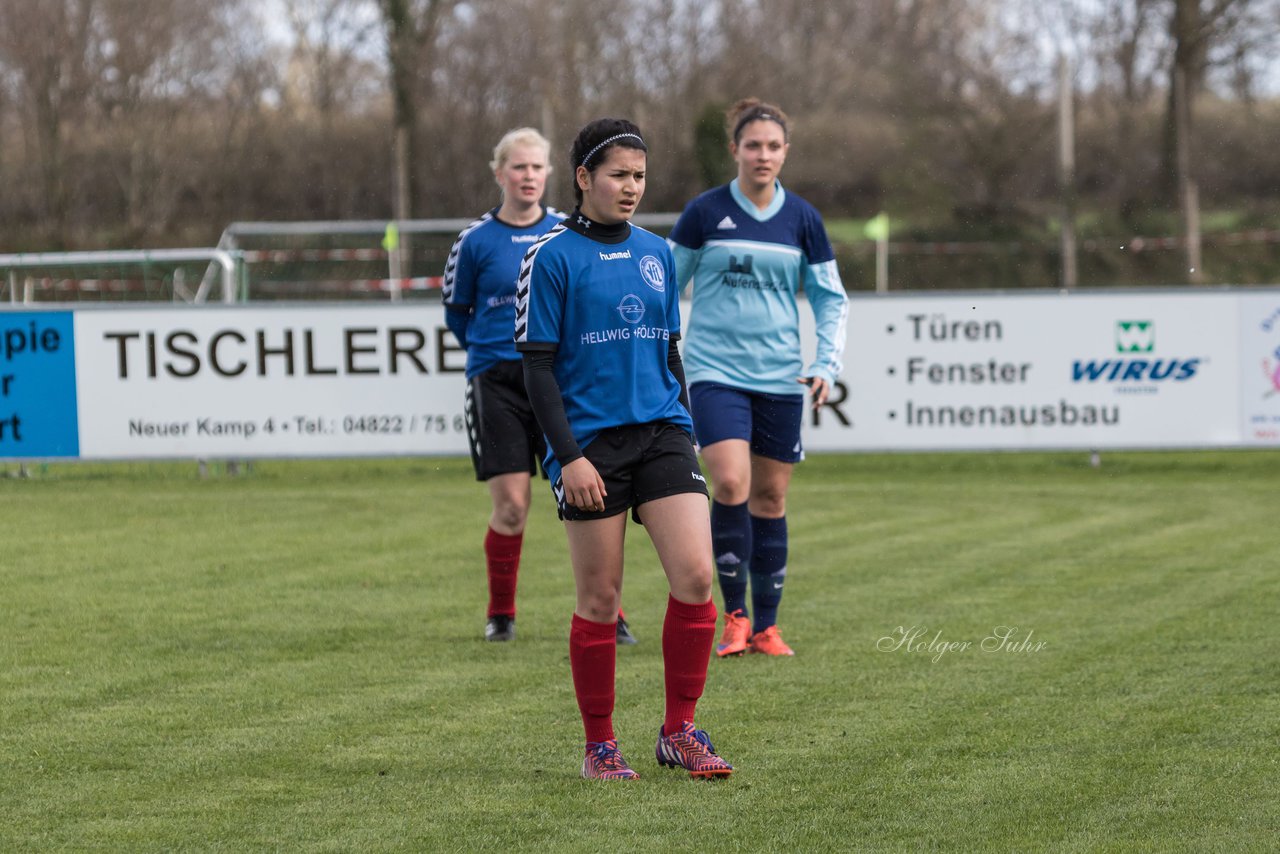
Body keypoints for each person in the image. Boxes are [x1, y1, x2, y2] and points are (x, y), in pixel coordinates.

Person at [516, 118, 733, 780]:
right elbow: (537, 370)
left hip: (663, 431)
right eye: (618, 175)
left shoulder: (657, 252)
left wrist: (687, 426)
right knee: (601, 601)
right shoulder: (549, 257)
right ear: (584, 178)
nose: (631, 187)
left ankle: (681, 731)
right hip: (591, 446)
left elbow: (669, 349)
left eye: (639, 176)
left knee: (697, 577)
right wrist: (568, 456)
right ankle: (600, 746)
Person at [668, 98, 849, 658]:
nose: (763, 155)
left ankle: (768, 626)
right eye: (753, 145)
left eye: (773, 146)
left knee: (770, 497)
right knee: (729, 483)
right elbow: (665, 287)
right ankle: (735, 617)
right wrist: (656, 354)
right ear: (736, 150)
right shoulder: (704, 212)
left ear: (785, 152)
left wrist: (825, 364)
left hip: (779, 376)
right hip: (714, 369)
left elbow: (830, 299)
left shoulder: (803, 219)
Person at [442, 127, 638, 645]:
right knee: (512, 506)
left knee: (596, 496)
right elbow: (457, 313)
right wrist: (497, 351)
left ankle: (610, 612)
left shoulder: (568, 233)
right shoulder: (475, 240)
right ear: (500, 173)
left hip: (562, 382)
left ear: (552, 173)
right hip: (500, 381)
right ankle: (501, 615)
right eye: (518, 167)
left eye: (536, 167)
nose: (528, 176)